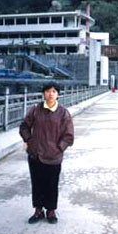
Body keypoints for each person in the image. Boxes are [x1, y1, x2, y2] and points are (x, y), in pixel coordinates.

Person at [19, 82, 74, 224]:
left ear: (58, 95)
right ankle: (38, 210)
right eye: (48, 91)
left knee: (51, 184)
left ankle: (51, 211)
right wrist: (29, 141)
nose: (51, 94)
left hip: (53, 156)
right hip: (35, 154)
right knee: (36, 184)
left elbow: (69, 135)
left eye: (54, 91)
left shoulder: (63, 113)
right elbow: (24, 126)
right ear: (43, 93)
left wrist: (59, 148)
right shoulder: (35, 109)